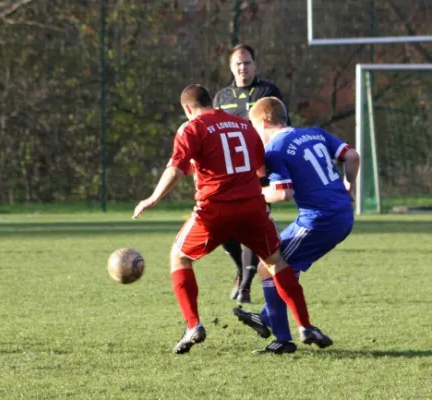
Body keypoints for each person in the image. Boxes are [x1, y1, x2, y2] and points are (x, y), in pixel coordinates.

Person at [132, 84, 331, 354]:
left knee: (179, 257)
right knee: (276, 261)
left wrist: (153, 198)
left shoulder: (192, 128)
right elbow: (260, 167)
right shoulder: (243, 125)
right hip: (252, 206)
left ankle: (193, 325)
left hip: (214, 209)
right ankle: (305, 325)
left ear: (187, 108)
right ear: (211, 102)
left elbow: (176, 168)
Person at [233, 97, 359, 354]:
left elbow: (282, 194)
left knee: (269, 266)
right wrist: (349, 186)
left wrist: (253, 195)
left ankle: (285, 337)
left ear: (264, 122)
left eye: (255, 127)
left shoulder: (275, 149)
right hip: (342, 213)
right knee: (283, 266)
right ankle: (266, 319)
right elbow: (352, 156)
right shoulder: (314, 133)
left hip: (319, 220)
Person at [213, 44, 290, 304]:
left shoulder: (268, 92)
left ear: (254, 65)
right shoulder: (222, 97)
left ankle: (245, 286)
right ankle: (240, 270)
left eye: (246, 63)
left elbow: (280, 126)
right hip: (229, 173)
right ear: (231, 67)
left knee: (251, 223)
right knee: (224, 229)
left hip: (259, 169)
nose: (242, 67)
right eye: (238, 64)